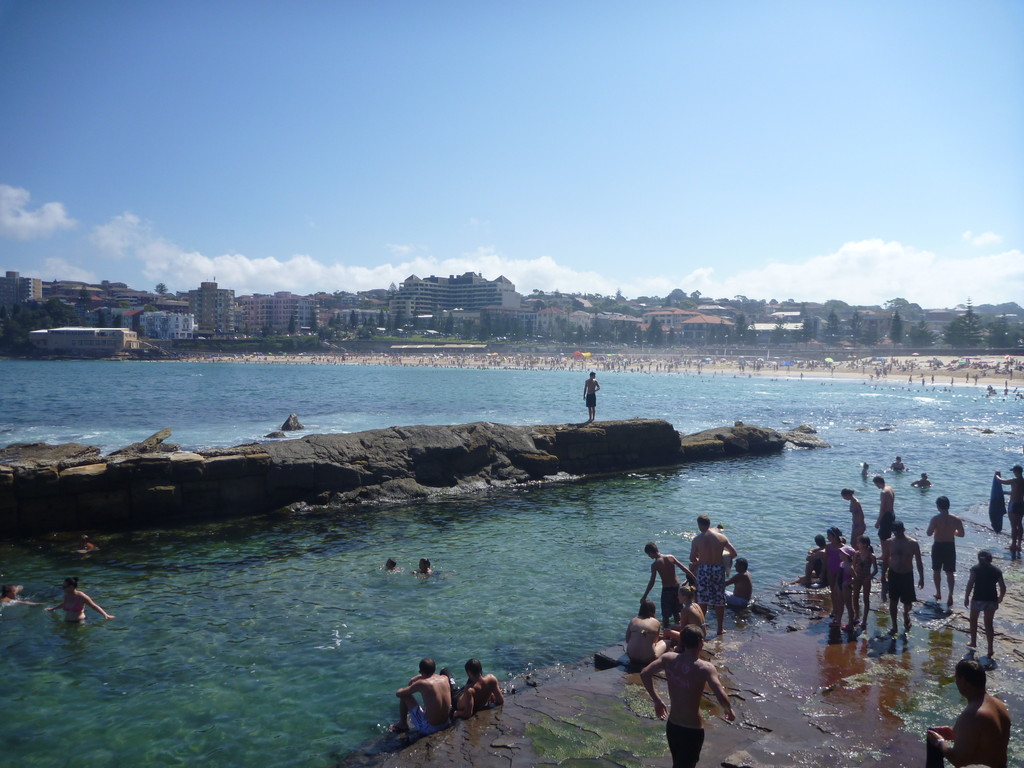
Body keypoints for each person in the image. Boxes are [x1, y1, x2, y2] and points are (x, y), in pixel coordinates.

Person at [640, 624, 735, 768]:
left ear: (682, 642)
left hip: (673, 725)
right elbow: (720, 694)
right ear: (700, 643)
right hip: (692, 729)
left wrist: (657, 701)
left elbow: (645, 673)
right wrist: (728, 710)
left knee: (678, 763)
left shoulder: (668, 658)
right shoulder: (705, 668)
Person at [925, 659, 1010, 768]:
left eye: (957, 678)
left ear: (963, 680)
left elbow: (958, 760)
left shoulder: (973, 714)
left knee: (932, 738)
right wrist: (955, 733)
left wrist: (939, 742)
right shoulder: (999, 705)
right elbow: (985, 740)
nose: (956, 683)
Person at [689, 514, 737, 636]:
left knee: (702, 600)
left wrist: (701, 559)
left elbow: (692, 558)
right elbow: (734, 553)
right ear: (709, 524)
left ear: (699, 525)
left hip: (704, 571)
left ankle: (701, 629)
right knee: (719, 600)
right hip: (718, 570)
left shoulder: (697, 539)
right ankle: (720, 629)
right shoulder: (721, 537)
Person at [880, 520, 924, 636]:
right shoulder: (889, 542)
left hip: (907, 575)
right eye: (895, 532)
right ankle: (894, 626)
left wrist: (921, 577)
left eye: (899, 532)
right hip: (893, 574)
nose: (897, 534)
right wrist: (883, 575)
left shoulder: (912, 543)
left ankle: (906, 614)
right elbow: (885, 560)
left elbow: (919, 561)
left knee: (908, 603)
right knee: (893, 601)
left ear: (903, 530)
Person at [963, 550, 1007, 659]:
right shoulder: (996, 571)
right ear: (990, 559)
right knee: (988, 624)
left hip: (978, 598)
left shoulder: (975, 569)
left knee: (973, 620)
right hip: (991, 599)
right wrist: (1000, 598)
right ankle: (990, 648)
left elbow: (970, 583)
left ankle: (973, 642)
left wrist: (966, 597)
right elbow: (1003, 587)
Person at [641, 542, 697, 626]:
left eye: (648, 555)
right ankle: (679, 629)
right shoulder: (670, 557)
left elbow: (652, 582)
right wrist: (695, 578)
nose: (649, 557)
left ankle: (666, 631)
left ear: (651, 552)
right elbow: (684, 568)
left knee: (665, 615)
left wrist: (645, 595)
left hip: (667, 590)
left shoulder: (655, 564)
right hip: (677, 588)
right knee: (677, 612)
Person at [391, 657, 453, 734]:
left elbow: (399, 694)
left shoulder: (423, 683)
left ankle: (403, 724)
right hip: (446, 723)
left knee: (405, 695)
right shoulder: (445, 678)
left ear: (421, 671)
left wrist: (407, 684)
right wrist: (420, 676)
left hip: (431, 728)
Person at [926, 496, 965, 608]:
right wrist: (953, 532)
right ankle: (950, 594)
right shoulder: (956, 519)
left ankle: (938, 592)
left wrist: (936, 529)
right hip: (949, 546)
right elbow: (962, 534)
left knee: (936, 570)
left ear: (938, 507)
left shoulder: (935, 519)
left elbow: (929, 533)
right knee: (949, 572)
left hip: (938, 545)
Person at [45, 577, 114, 622]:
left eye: (64, 586)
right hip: (67, 621)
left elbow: (94, 606)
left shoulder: (82, 597)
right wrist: (53, 608)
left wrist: (105, 615)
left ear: (71, 587)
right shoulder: (67, 595)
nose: (63, 588)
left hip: (78, 623)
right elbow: (64, 604)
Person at [994, 465, 1024, 559]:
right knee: (1019, 524)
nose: (1013, 473)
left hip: (1014, 505)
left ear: (1016, 471)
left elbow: (1001, 481)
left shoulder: (1014, 480)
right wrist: (1005, 492)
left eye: (1014, 471)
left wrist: (996, 475)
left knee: (1013, 526)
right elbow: (1016, 492)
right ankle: (1019, 545)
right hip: (1021, 504)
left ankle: (1013, 545)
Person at [625, 599, 667, 665]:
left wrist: (642, 632)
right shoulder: (656, 622)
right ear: (653, 610)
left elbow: (627, 640)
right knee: (667, 642)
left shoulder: (633, 620)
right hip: (647, 659)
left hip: (631, 656)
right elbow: (655, 641)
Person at [873, 475, 896, 544]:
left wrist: (878, 522)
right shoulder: (890, 488)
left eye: (876, 484)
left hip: (886, 516)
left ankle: (885, 553)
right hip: (892, 513)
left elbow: (883, 509)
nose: (876, 486)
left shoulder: (884, 492)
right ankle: (889, 552)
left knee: (883, 536)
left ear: (878, 483)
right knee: (888, 534)